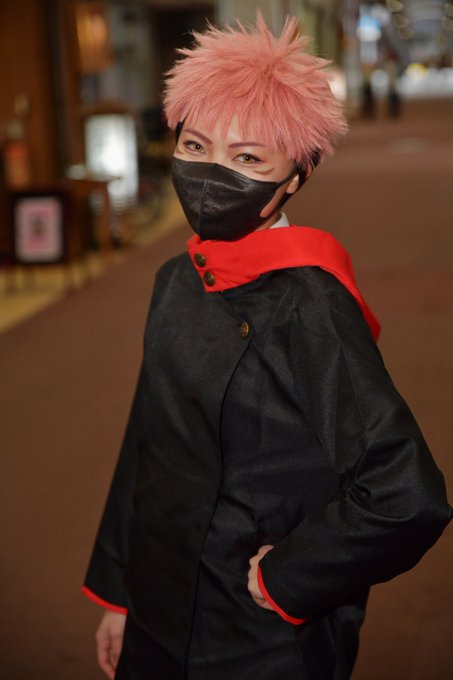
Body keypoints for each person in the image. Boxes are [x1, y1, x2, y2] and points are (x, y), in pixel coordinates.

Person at [82, 14, 451, 680]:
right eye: (195, 145)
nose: (210, 173)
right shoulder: (177, 278)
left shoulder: (310, 307)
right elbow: (147, 442)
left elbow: (405, 493)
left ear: (295, 178)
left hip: (253, 634)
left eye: (247, 158)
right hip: (158, 604)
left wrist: (289, 576)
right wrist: (118, 594)